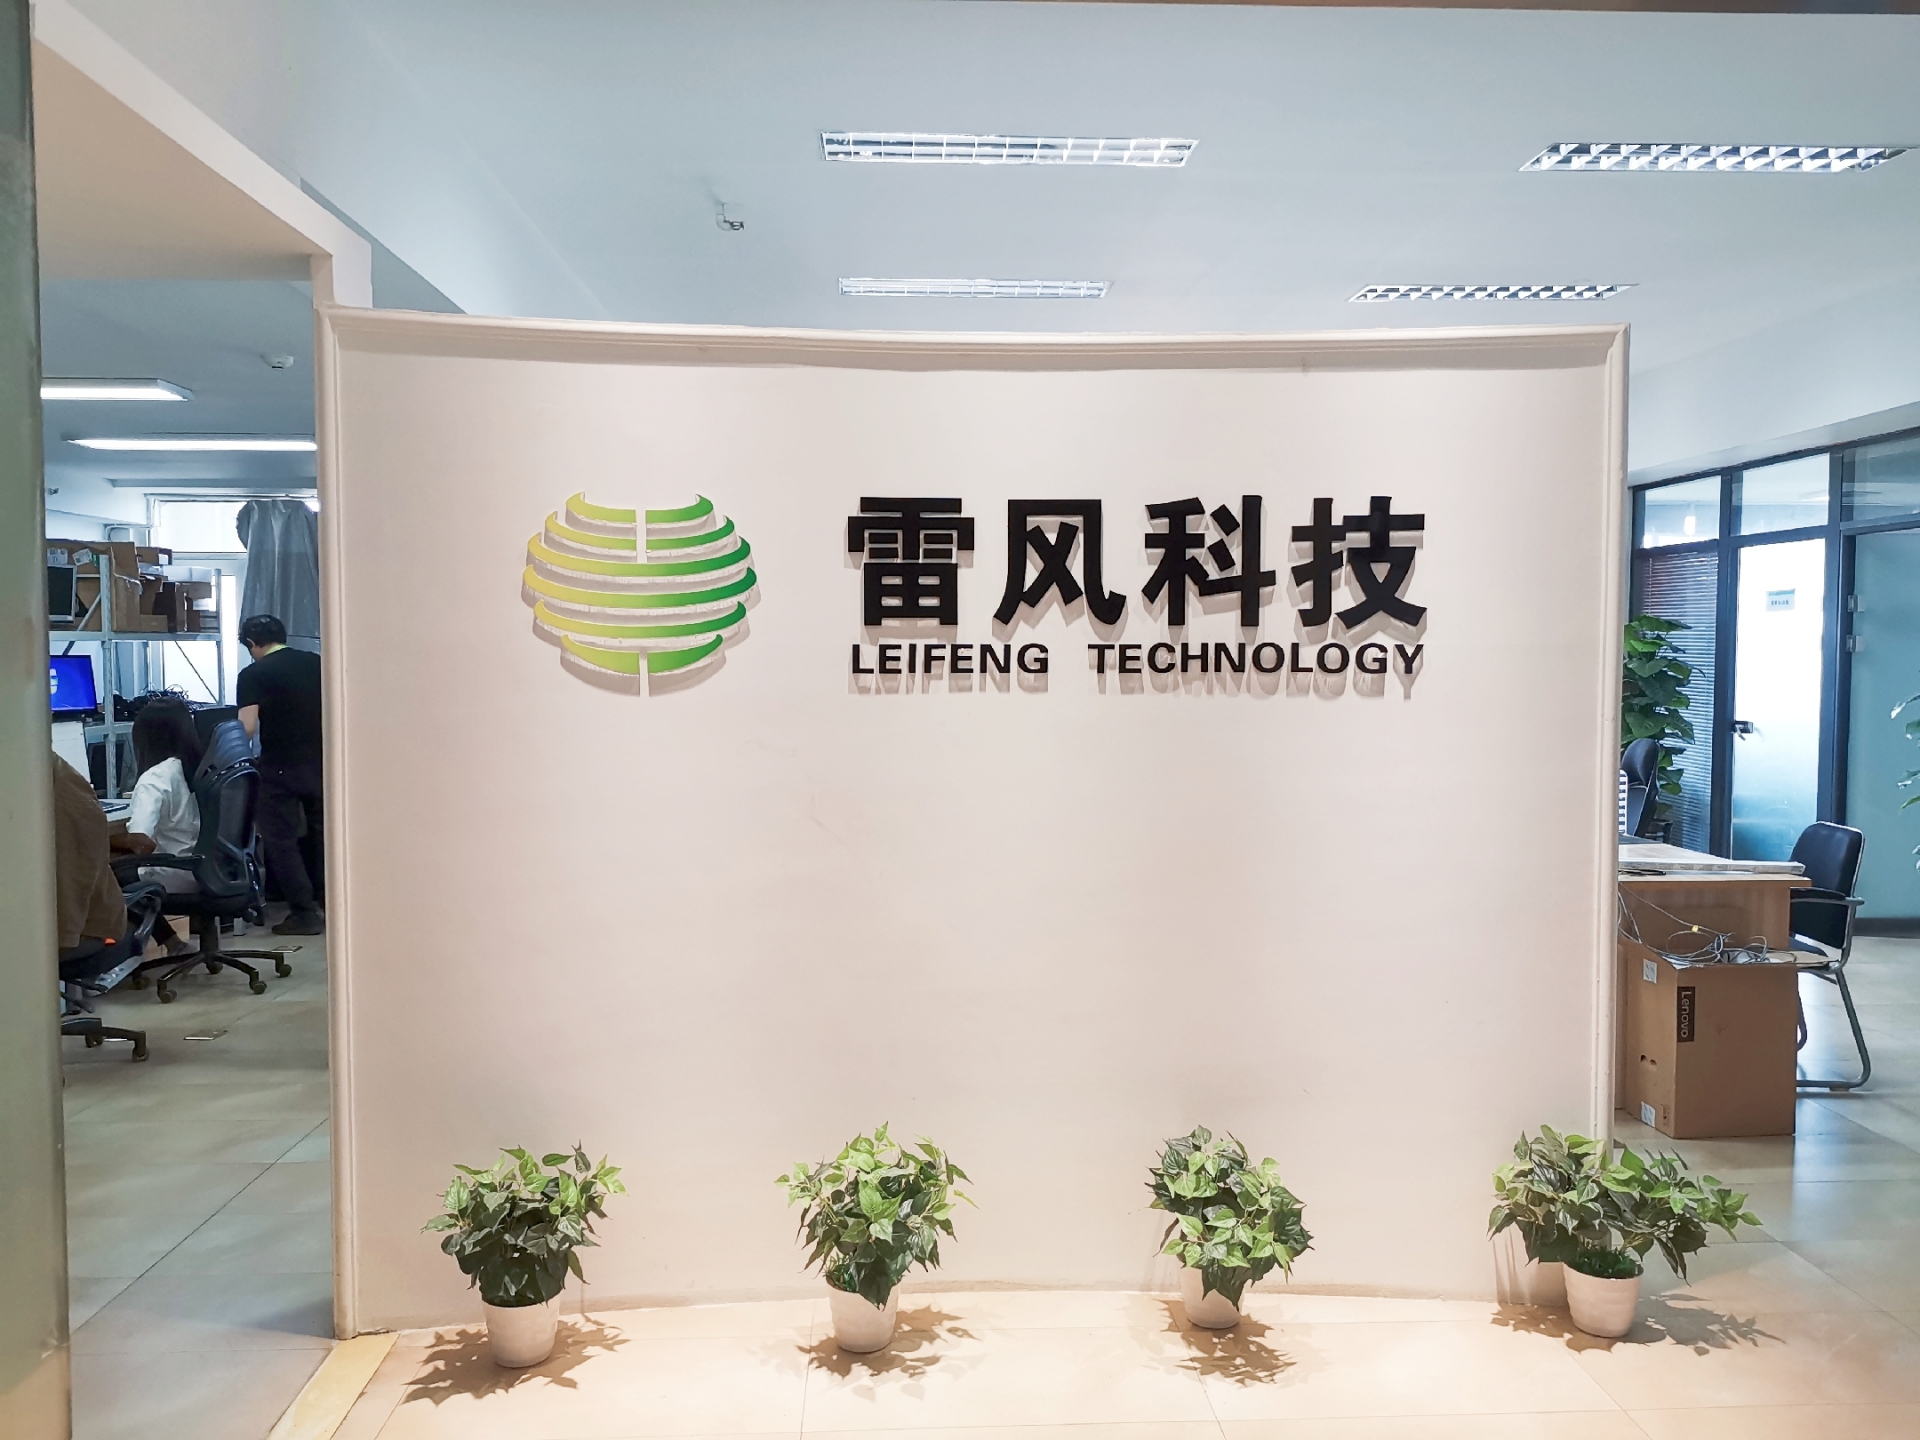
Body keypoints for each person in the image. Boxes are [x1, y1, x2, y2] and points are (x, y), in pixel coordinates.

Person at [236, 614, 325, 935]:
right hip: (323, 763)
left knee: (280, 841)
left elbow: (247, 728)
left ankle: (304, 914)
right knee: (324, 837)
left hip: (280, 768)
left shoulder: (253, 674)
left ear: (251, 643)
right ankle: (333, 904)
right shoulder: (316, 663)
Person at [111, 696, 205, 956]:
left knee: (104, 876)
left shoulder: (155, 779)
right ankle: (174, 943)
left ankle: (124, 958)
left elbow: (141, 843)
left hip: (177, 871)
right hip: (210, 868)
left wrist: (101, 838)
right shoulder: (201, 767)